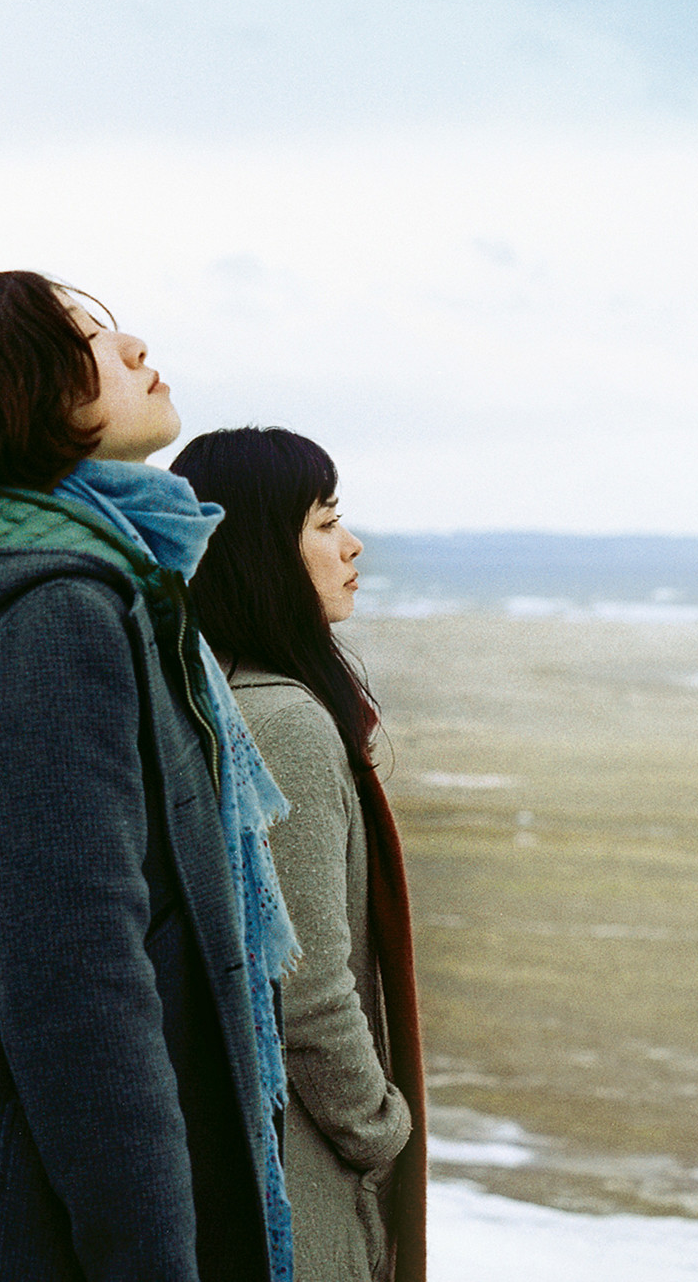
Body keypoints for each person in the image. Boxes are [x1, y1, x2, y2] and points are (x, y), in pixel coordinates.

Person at [0, 269, 300, 1281]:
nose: (135, 346)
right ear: (19, 395)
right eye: (87, 339)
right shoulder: (54, 617)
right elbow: (78, 982)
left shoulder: (100, 587)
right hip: (22, 1236)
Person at [171, 427, 427, 1282]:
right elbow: (305, 982)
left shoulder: (207, 696)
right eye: (324, 522)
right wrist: (380, 1129)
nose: (351, 545)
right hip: (300, 1173)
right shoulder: (283, 723)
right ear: (257, 551)